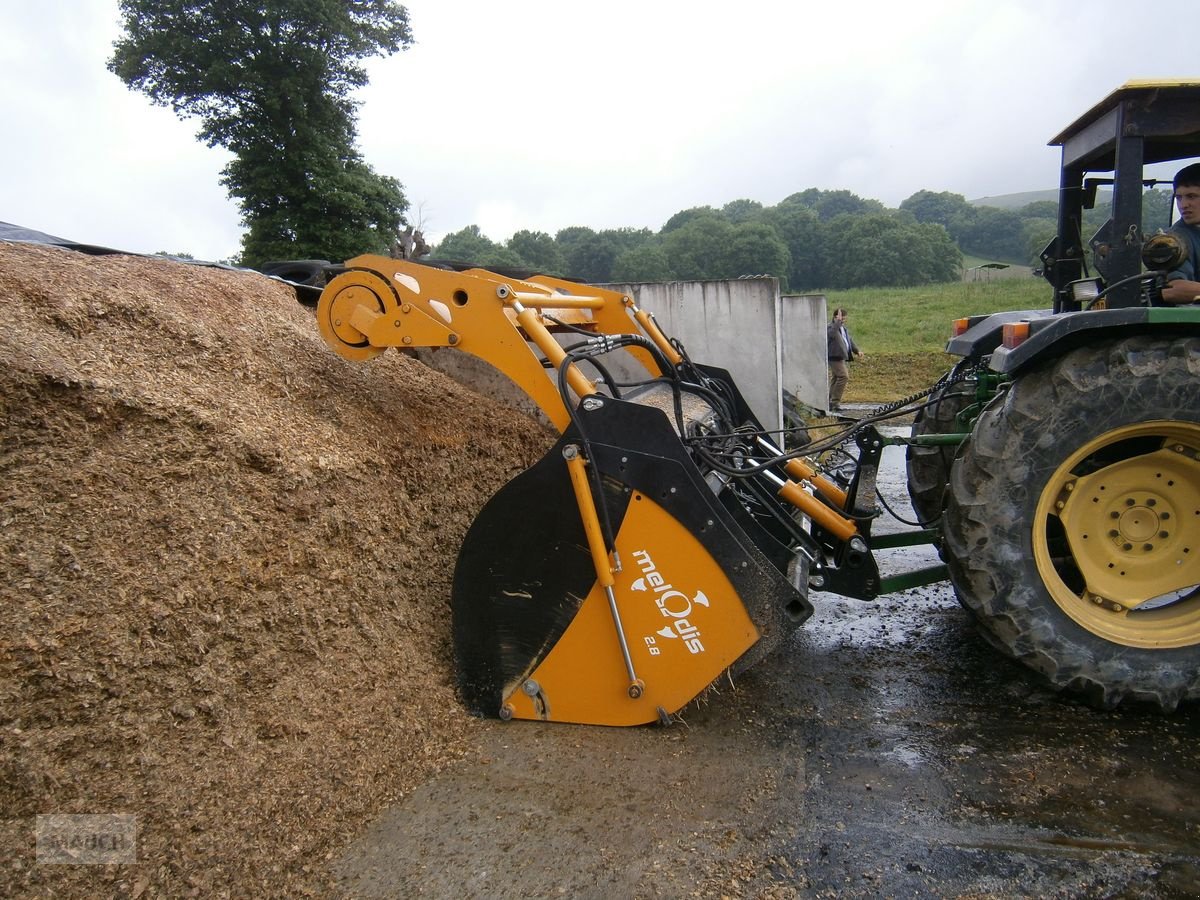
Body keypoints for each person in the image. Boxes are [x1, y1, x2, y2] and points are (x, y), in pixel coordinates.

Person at [1162, 163, 1200, 305]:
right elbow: (1173, 290)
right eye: (1179, 198)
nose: (1183, 205)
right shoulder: (1174, 240)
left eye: (1191, 196)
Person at [826, 307, 863, 411]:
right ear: (835, 317)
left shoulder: (842, 328)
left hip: (840, 356)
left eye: (844, 318)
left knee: (836, 378)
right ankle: (835, 402)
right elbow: (831, 334)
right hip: (834, 356)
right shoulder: (831, 327)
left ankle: (829, 401)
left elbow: (848, 340)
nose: (843, 320)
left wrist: (857, 351)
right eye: (841, 318)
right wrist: (837, 322)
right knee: (843, 376)